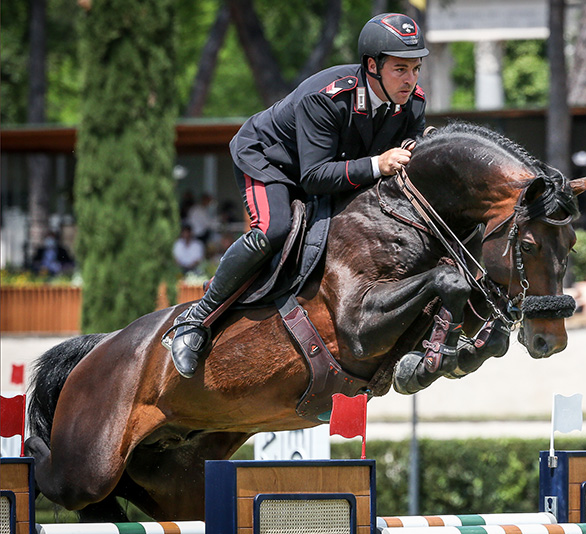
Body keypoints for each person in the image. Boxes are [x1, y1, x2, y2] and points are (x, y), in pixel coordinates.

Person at [168, 13, 429, 378]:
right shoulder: (328, 97)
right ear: (372, 66)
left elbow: (405, 150)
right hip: (267, 159)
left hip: (327, 168)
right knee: (274, 230)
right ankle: (194, 321)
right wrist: (377, 164)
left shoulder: (413, 102)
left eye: (416, 69)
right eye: (401, 69)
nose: (411, 80)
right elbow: (315, 176)